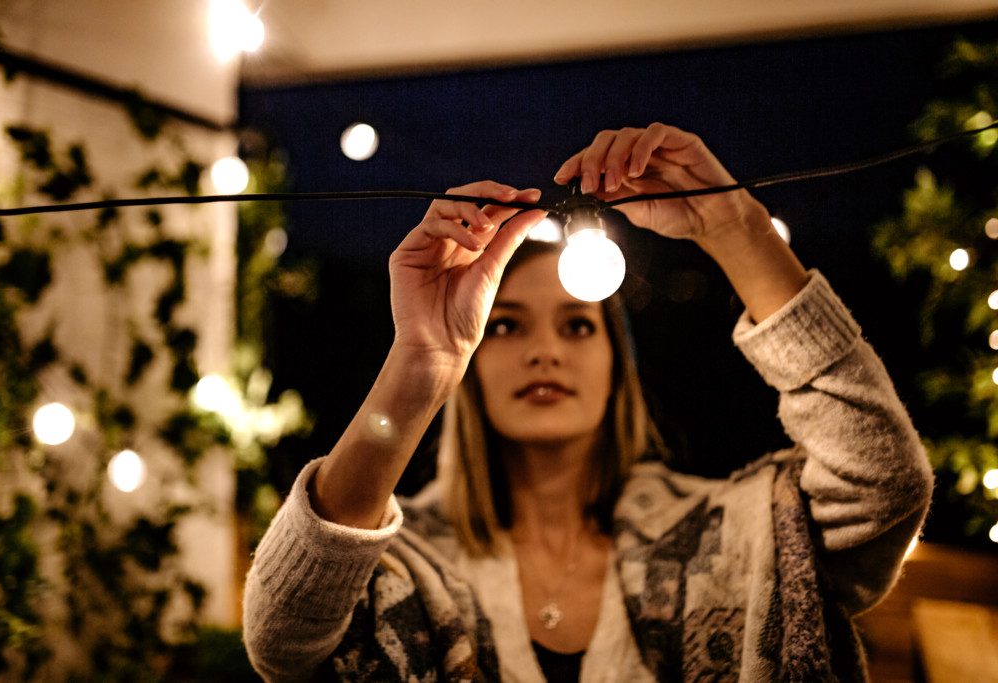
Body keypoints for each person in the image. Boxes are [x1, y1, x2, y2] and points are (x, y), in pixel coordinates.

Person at [243, 122, 933, 682]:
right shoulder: (408, 562)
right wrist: (420, 361)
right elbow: (280, 642)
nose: (545, 351)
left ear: (616, 365)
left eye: (577, 324)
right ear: (477, 364)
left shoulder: (725, 534)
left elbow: (883, 480)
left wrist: (736, 229)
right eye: (508, 325)